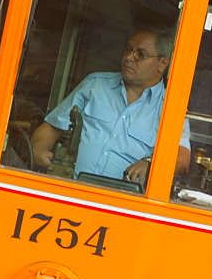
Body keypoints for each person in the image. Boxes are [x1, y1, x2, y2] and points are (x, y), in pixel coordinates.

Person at [31, 26, 191, 184]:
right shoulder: (95, 85)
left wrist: (151, 164)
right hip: (71, 188)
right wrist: (37, 149)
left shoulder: (171, 107)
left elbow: (182, 158)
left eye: (140, 54)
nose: (129, 57)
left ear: (162, 63)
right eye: (128, 50)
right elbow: (52, 127)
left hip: (121, 202)